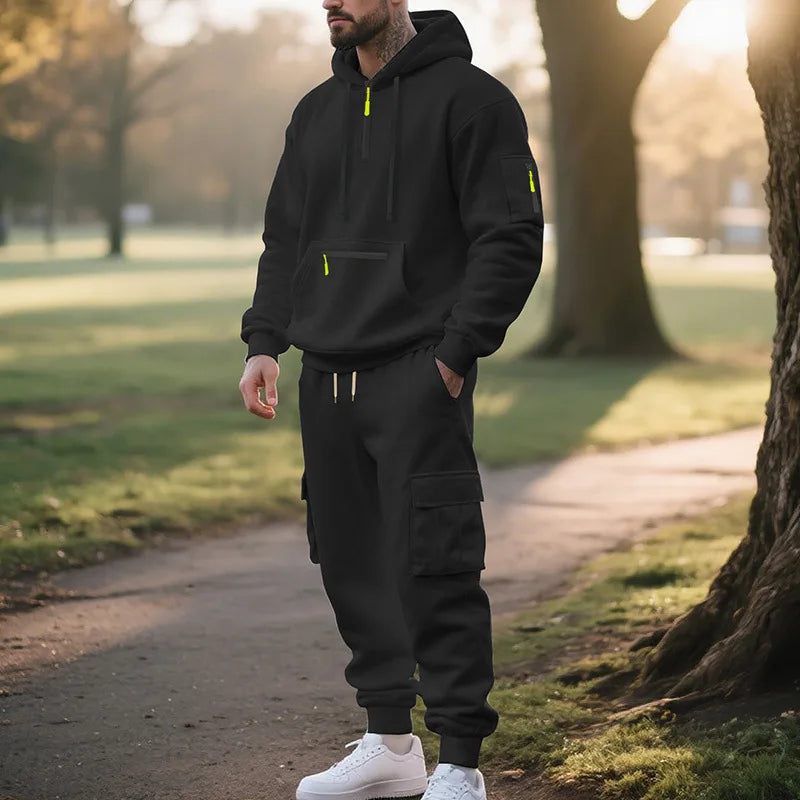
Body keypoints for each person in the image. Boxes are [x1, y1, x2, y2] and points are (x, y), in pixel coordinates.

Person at [238, 1, 544, 798]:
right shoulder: (316, 111)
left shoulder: (474, 100)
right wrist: (265, 341)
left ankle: (461, 764)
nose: (329, 2)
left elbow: (511, 234)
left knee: (435, 564)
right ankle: (391, 744)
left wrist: (456, 352)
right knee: (350, 562)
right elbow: (285, 238)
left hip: (418, 372)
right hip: (325, 378)